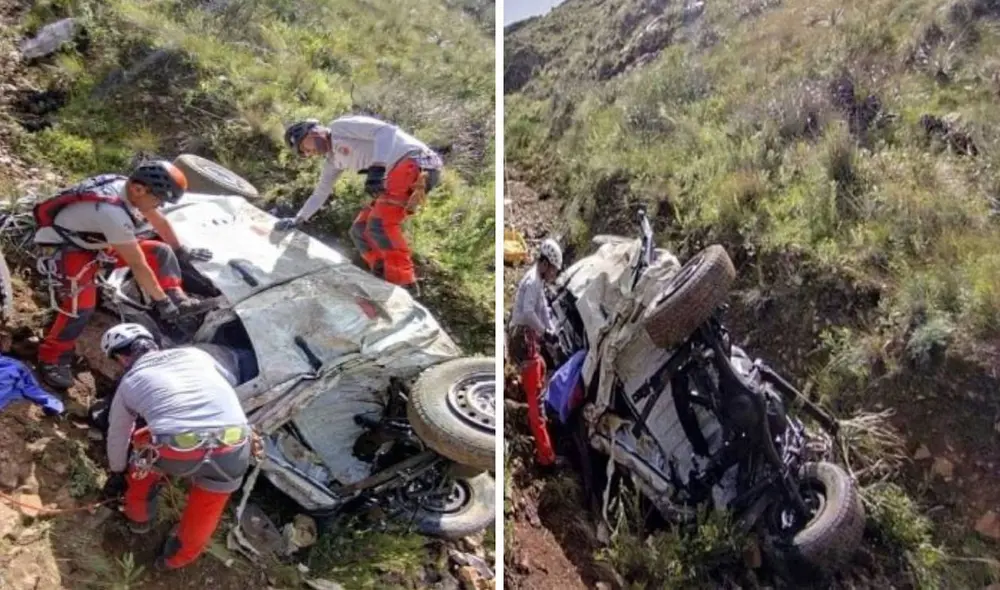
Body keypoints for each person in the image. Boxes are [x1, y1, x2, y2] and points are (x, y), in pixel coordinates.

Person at [33, 161, 214, 389]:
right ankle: (51, 357)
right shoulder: (112, 213)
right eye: (159, 198)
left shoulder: (127, 187)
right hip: (67, 249)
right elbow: (137, 264)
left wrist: (180, 250)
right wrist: (161, 302)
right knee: (80, 305)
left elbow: (159, 220)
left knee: (160, 251)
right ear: (139, 189)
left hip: (93, 241)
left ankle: (179, 298)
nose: (160, 204)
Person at [98, 323, 252, 571]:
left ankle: (139, 517)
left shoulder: (130, 381)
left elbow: (118, 434)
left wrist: (118, 470)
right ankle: (174, 560)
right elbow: (230, 382)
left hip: (179, 450)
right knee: (208, 507)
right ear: (152, 343)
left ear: (122, 357)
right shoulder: (197, 355)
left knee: (142, 442)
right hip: (234, 447)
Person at [274, 115, 443, 295]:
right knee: (360, 229)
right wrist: (299, 219)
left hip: (416, 161)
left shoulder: (339, 127)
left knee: (381, 224)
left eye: (305, 147)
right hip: (396, 172)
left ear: (312, 131)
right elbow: (321, 192)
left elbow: (387, 131)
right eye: (305, 153)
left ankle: (404, 283)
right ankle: (382, 274)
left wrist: (377, 168)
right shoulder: (333, 161)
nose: (309, 153)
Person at [508, 238, 563, 467]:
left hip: (528, 340)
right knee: (536, 402)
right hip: (523, 339)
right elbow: (530, 312)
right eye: (552, 270)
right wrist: (544, 332)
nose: (553, 275)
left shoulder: (538, 282)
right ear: (545, 263)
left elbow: (544, 310)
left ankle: (534, 402)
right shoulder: (532, 282)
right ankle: (546, 456)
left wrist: (552, 332)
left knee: (540, 367)